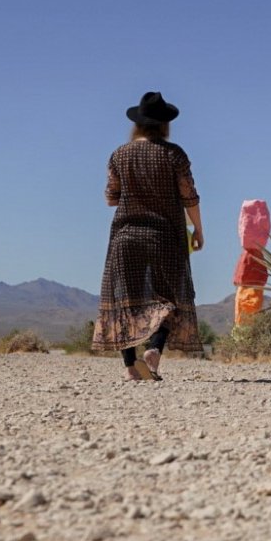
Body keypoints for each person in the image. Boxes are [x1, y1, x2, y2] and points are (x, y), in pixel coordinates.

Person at [92, 91, 204, 380]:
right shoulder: (174, 154)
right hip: (166, 237)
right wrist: (198, 231)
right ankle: (154, 349)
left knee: (124, 300)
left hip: (125, 237)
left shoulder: (119, 154)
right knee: (168, 298)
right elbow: (189, 197)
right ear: (165, 124)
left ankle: (131, 366)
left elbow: (111, 198)